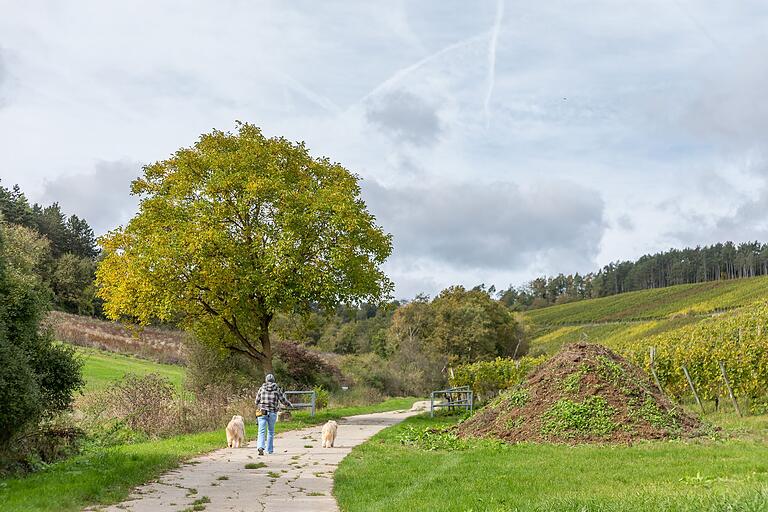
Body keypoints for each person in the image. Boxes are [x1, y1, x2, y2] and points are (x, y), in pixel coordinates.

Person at [254, 374, 292, 455]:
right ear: (274, 381)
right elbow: (283, 400)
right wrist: (289, 404)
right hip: (272, 412)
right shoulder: (277, 390)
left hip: (262, 412)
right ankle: (269, 450)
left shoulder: (261, 389)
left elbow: (256, 401)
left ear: (266, 380)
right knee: (271, 431)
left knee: (261, 431)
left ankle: (260, 447)